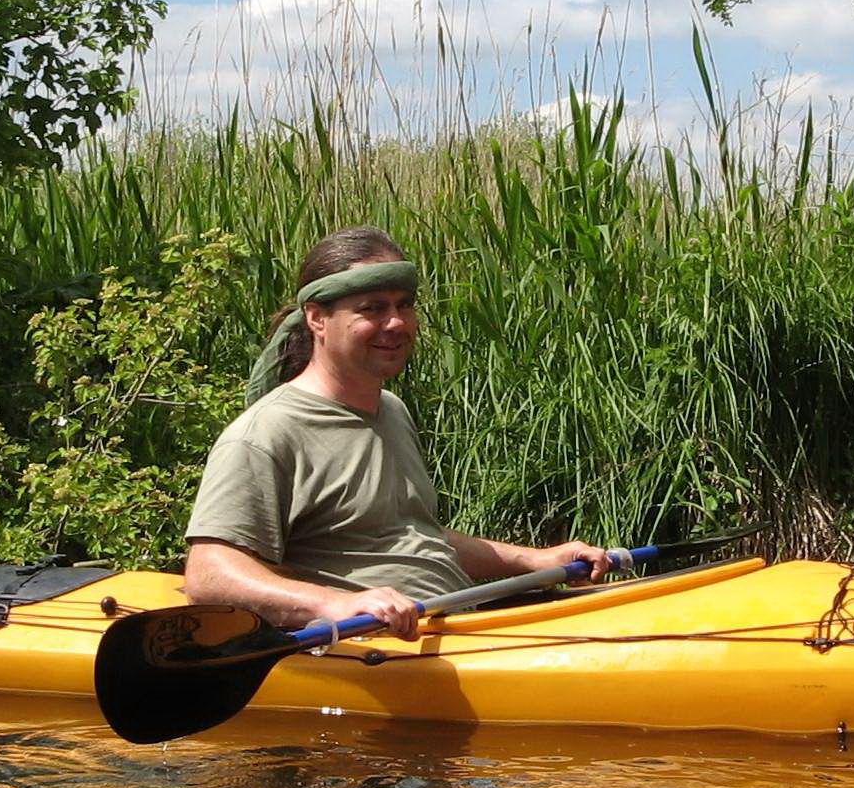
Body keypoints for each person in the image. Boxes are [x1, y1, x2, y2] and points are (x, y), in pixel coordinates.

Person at [182, 227, 612, 637]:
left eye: (403, 305)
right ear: (317, 318)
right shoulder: (267, 433)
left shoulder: (391, 410)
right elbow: (209, 573)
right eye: (372, 308)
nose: (396, 324)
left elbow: (412, 536)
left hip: (456, 628)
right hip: (373, 650)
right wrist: (332, 603)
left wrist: (534, 560)